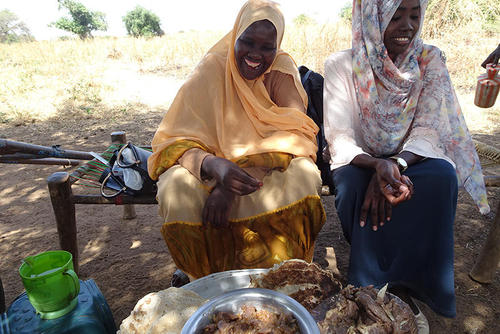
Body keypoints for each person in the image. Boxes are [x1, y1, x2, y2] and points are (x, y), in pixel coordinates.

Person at [323, 0, 490, 330]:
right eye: (395, 15)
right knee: (352, 185)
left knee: (441, 178)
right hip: (360, 159)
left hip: (411, 155)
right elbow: (340, 137)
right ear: (373, 17)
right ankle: (370, 284)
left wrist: (395, 163)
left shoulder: (429, 60)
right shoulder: (342, 65)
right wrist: (375, 166)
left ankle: (410, 284)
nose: (408, 25)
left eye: (414, 14)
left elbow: (429, 128)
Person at [148, 0, 325, 286]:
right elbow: (175, 137)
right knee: (176, 187)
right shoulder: (213, 68)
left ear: (277, 45)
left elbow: (298, 132)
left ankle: (282, 277)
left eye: (267, 47)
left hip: (263, 167)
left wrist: (233, 185)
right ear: (235, 36)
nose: (255, 54)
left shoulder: (281, 69)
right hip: (214, 164)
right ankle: (204, 281)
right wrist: (211, 164)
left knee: (304, 176)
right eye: (247, 41)